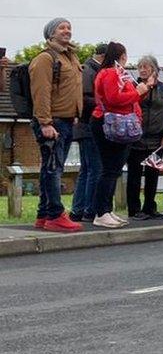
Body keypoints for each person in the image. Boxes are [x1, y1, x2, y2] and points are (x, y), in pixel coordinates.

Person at [28, 18, 84, 232]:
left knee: (51, 168)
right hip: (53, 122)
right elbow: (41, 92)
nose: (67, 31)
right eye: (61, 28)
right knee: (53, 169)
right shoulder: (45, 58)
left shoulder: (70, 56)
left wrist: (76, 113)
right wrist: (45, 122)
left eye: (69, 27)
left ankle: (44, 214)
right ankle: (55, 215)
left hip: (67, 120)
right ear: (51, 34)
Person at [91, 42, 149, 229]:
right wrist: (137, 92)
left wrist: (139, 93)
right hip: (109, 123)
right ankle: (100, 212)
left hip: (116, 122)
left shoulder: (116, 73)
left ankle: (106, 210)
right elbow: (113, 98)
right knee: (109, 168)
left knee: (114, 169)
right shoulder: (110, 73)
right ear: (121, 56)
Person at [125, 56, 163, 220]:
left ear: (154, 69)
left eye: (146, 67)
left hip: (156, 139)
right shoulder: (134, 86)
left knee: (153, 174)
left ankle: (150, 207)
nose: (142, 70)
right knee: (134, 175)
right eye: (140, 67)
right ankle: (134, 209)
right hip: (137, 139)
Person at [69, 43, 106, 223]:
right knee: (94, 170)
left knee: (86, 170)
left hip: (84, 127)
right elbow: (84, 97)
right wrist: (104, 102)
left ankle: (78, 209)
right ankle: (88, 209)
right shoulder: (90, 71)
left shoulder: (89, 69)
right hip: (88, 126)